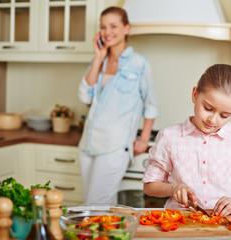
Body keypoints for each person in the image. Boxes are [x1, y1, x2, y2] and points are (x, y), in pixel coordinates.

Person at [142, 64, 231, 217]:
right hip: (179, 223)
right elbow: (150, 186)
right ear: (194, 95)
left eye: (224, 116)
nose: (212, 120)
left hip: (224, 224)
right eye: (207, 108)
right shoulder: (169, 137)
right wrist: (173, 188)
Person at [78, 6, 158, 204]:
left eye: (113, 26)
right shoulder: (100, 61)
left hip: (114, 146)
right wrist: (98, 58)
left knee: (96, 205)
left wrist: (144, 138)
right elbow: (84, 96)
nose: (107, 32)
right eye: (103, 27)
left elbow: (151, 104)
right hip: (88, 143)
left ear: (126, 28)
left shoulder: (139, 64)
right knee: (90, 205)